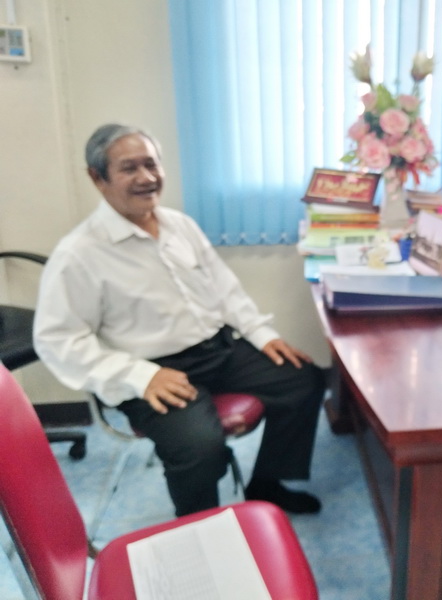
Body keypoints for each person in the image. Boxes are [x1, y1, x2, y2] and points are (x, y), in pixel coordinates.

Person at [34, 123, 326, 516]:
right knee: (200, 448)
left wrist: (262, 335)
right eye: (129, 168)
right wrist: (141, 376)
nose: (146, 177)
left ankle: (266, 484)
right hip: (153, 370)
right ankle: (199, 528)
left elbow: (224, 289)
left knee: (304, 380)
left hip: (216, 349)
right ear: (97, 178)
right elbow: (58, 340)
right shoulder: (79, 253)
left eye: (151, 164)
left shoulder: (179, 225)